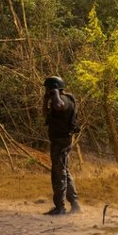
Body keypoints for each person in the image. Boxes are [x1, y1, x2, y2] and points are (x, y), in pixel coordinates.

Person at [43, 76, 81, 216]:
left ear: (54, 88)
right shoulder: (59, 99)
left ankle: (60, 208)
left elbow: (59, 106)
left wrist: (55, 93)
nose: (46, 91)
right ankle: (75, 204)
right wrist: (45, 100)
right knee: (64, 171)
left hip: (61, 142)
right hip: (59, 141)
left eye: (48, 88)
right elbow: (46, 114)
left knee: (58, 173)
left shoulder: (62, 100)